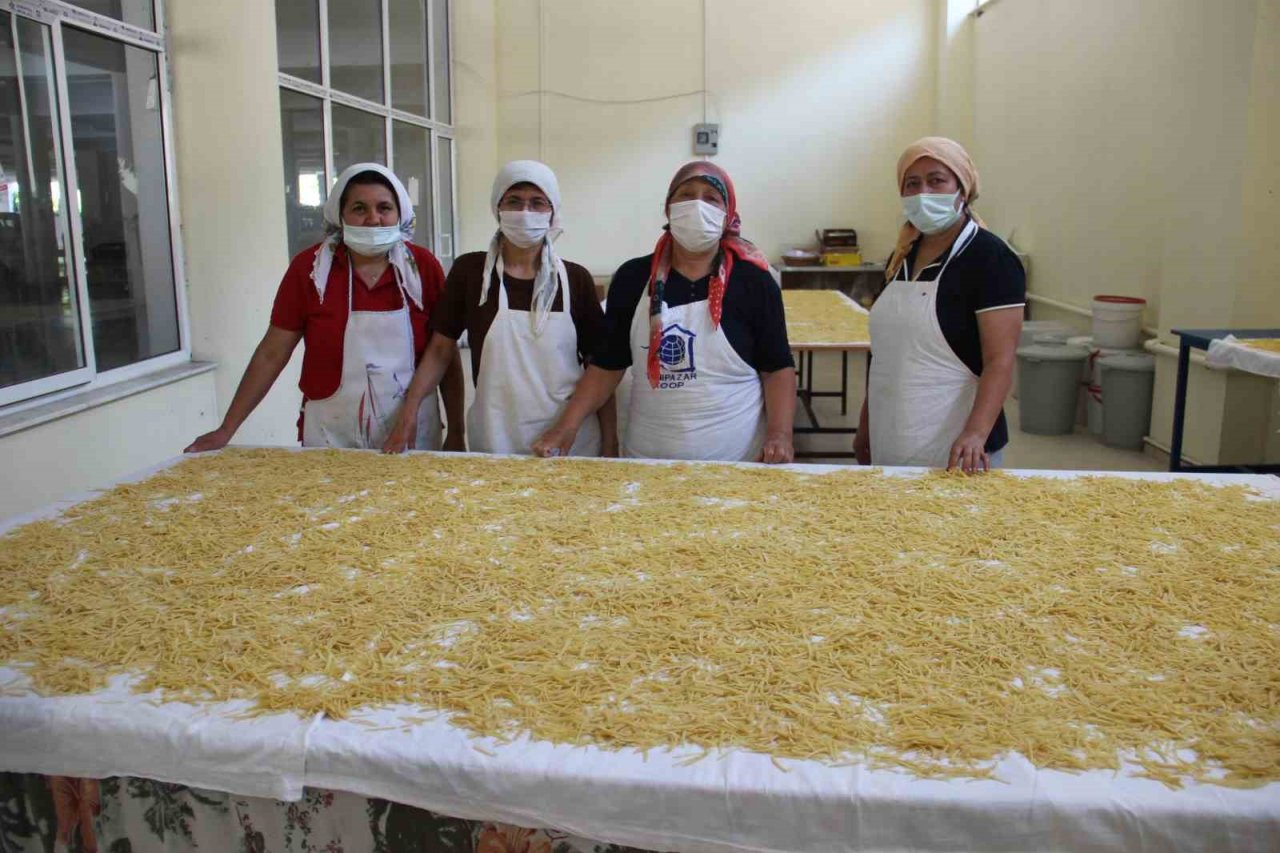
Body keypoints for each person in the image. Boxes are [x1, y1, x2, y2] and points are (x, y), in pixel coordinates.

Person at [185, 163, 463, 452]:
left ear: (400, 214)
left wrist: (456, 430)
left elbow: (445, 353)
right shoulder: (310, 270)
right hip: (331, 434)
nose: (373, 219)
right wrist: (227, 429)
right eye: (359, 208)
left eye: (384, 208)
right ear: (340, 216)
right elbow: (272, 352)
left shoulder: (422, 269)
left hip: (410, 429)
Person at [532, 161, 796, 463]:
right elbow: (607, 366)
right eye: (685, 195)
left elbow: (776, 369)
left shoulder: (754, 281)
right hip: (649, 461)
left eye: (710, 198)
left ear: (727, 215)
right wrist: (567, 426)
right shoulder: (633, 278)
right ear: (668, 210)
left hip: (735, 462)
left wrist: (780, 435)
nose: (697, 204)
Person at [382, 160, 616, 456]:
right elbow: (441, 350)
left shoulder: (574, 279)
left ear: (552, 212)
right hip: (495, 438)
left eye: (537, 203)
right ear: (498, 209)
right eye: (514, 202)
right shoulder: (471, 272)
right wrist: (411, 412)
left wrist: (610, 444)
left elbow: (600, 369)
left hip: (571, 440)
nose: (524, 212)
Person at [855, 137, 1024, 472]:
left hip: (958, 448)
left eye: (936, 181)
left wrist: (975, 434)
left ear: (962, 189)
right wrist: (865, 425)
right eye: (912, 184)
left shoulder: (990, 258)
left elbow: (1000, 361)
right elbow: (884, 355)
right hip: (893, 432)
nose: (924, 194)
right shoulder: (900, 258)